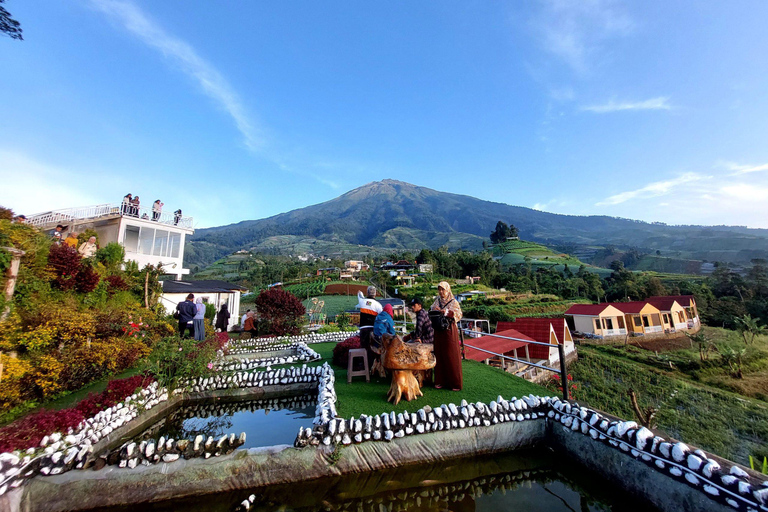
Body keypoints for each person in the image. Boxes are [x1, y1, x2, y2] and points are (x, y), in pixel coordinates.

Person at [430, 281, 463, 391]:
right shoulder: (437, 301)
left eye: (443, 289)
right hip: (439, 331)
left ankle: (454, 383)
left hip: (449, 331)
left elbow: (458, 315)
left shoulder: (453, 302)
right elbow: (430, 310)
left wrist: (447, 312)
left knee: (451, 356)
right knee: (439, 354)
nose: (441, 292)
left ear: (447, 290)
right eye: (439, 289)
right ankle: (440, 381)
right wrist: (435, 310)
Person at [358, 286, 382, 365]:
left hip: (363, 329)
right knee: (372, 348)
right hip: (372, 329)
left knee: (363, 347)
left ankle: (363, 365)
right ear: (375, 294)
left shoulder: (362, 301)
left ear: (367, 293)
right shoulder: (378, 305)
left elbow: (359, 294)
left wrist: (361, 293)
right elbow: (381, 317)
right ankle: (372, 366)